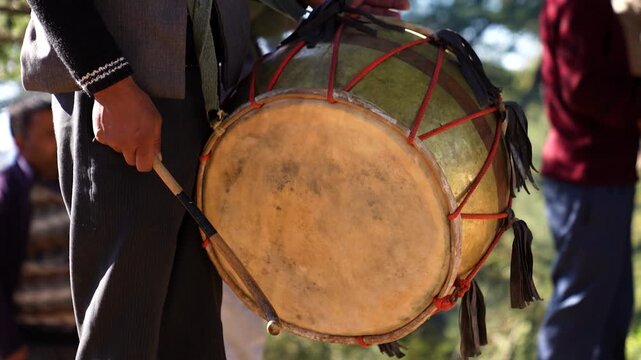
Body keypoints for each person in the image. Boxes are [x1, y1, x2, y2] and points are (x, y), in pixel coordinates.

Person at [19, 0, 409, 359]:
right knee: (123, 339)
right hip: (123, 92)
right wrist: (108, 85)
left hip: (212, 89)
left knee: (195, 341)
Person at [537, 0, 641, 359]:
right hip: (586, 179)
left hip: (604, 177)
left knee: (611, 309)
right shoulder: (578, 5)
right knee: (581, 312)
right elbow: (583, 89)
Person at [0, 97, 61, 360]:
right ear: (20, 141)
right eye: (49, 134)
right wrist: (9, 345)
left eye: (59, 132)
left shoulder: (77, 187)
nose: (58, 143)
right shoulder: (7, 193)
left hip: (86, 340)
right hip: (31, 347)